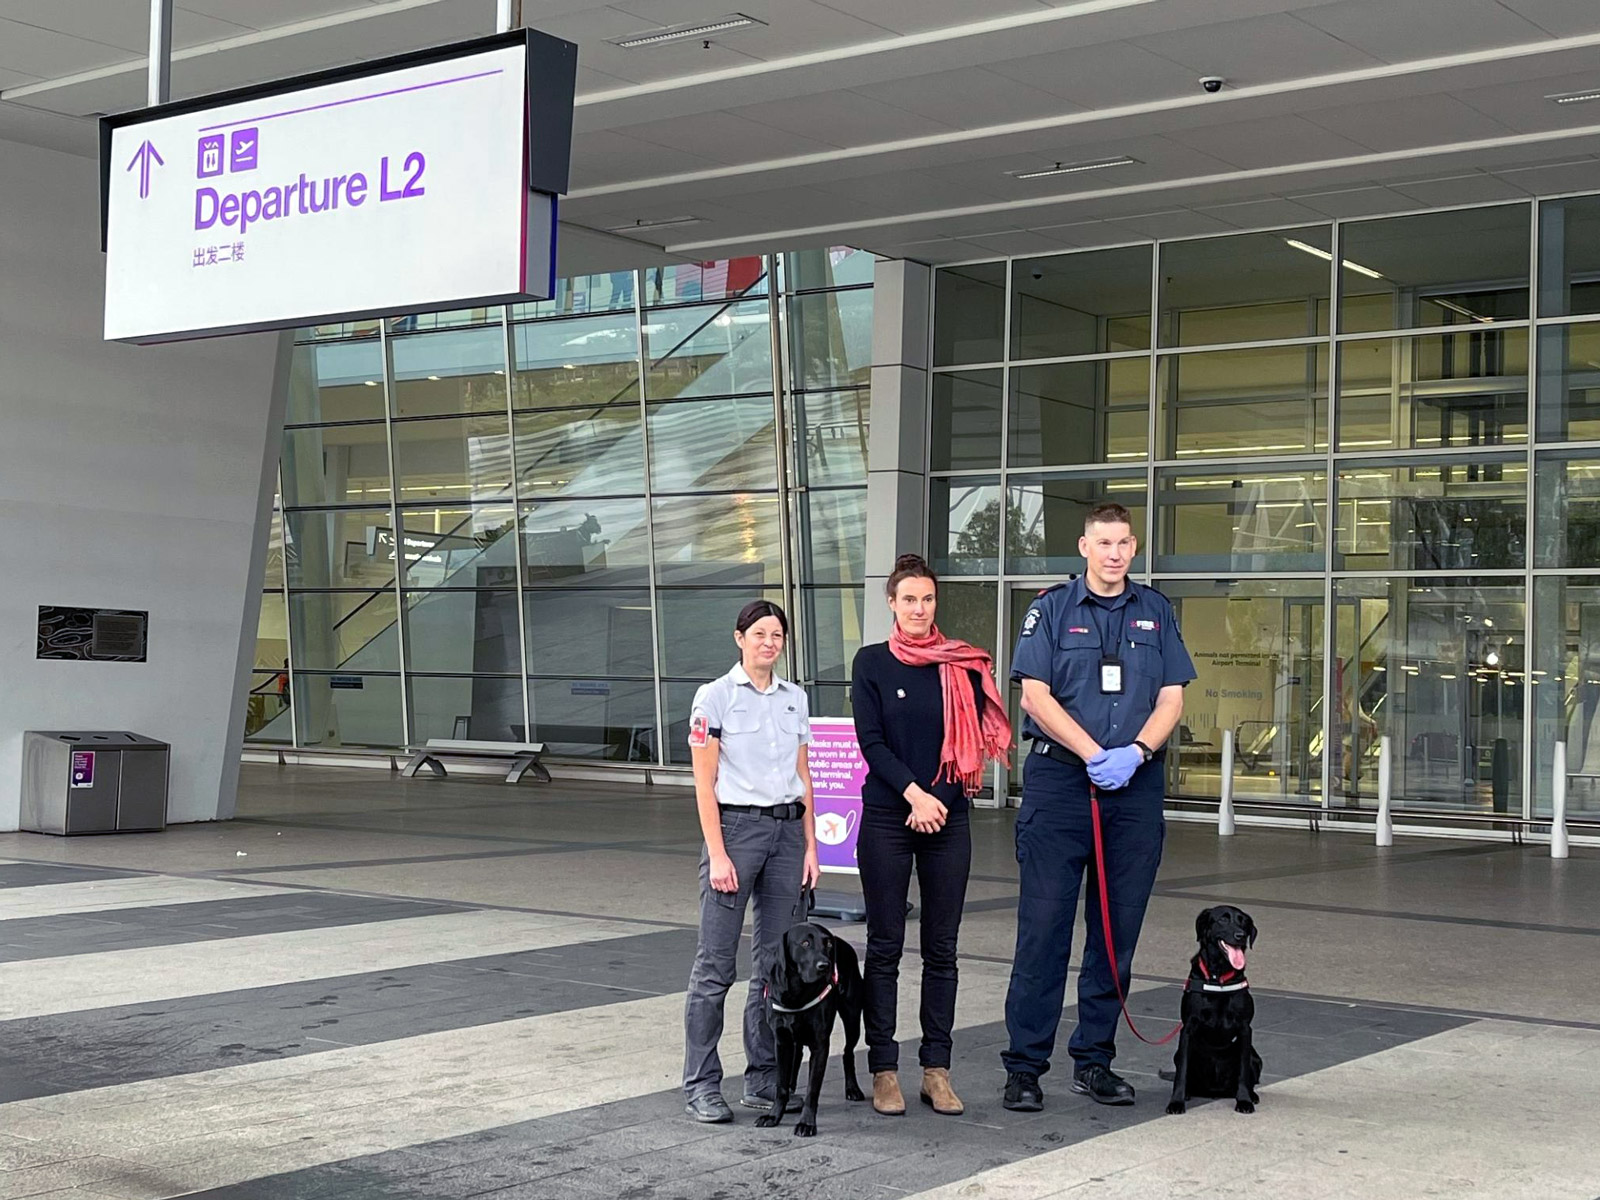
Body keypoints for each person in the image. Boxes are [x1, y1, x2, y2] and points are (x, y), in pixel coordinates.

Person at [1000, 502, 1196, 1112]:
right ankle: (1025, 1067)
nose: (1114, 553)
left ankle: (1094, 1061)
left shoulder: (1156, 610)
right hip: (1061, 784)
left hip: (1133, 788)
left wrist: (1136, 753)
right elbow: (1034, 697)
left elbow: (1172, 698)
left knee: (1116, 935)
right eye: (1103, 543)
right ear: (1084, 547)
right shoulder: (1051, 609)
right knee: (1044, 932)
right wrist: (1092, 754)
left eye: (1123, 544)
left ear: (1133, 548)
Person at [851, 554, 1012, 1118]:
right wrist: (914, 795)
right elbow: (871, 742)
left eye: (927, 599)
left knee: (942, 948)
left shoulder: (961, 664)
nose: (919, 609)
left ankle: (936, 1072)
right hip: (887, 816)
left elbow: (968, 747)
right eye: (909, 599)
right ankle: (884, 1070)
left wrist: (935, 800)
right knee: (885, 947)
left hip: (948, 816)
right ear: (891, 603)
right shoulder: (871, 663)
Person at [682, 600, 822, 1124]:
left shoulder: (794, 699)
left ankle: (763, 1078)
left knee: (773, 966)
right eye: (759, 633)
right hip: (736, 832)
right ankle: (701, 1084)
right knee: (715, 966)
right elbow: (704, 783)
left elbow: (805, 777)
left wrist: (811, 846)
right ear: (739, 638)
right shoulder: (715, 697)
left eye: (777, 635)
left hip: (786, 833)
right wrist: (717, 852)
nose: (769, 642)